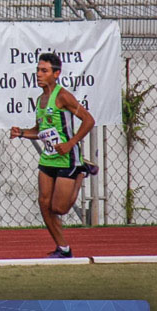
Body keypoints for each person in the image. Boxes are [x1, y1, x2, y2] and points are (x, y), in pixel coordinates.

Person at [9, 52, 97, 258]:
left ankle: (82, 171)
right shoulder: (41, 100)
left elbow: (88, 120)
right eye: (38, 70)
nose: (38, 74)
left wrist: (71, 143)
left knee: (59, 208)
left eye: (44, 71)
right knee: (44, 204)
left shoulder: (63, 96)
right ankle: (63, 249)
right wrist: (21, 133)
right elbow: (39, 131)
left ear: (56, 74)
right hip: (48, 158)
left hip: (67, 157)